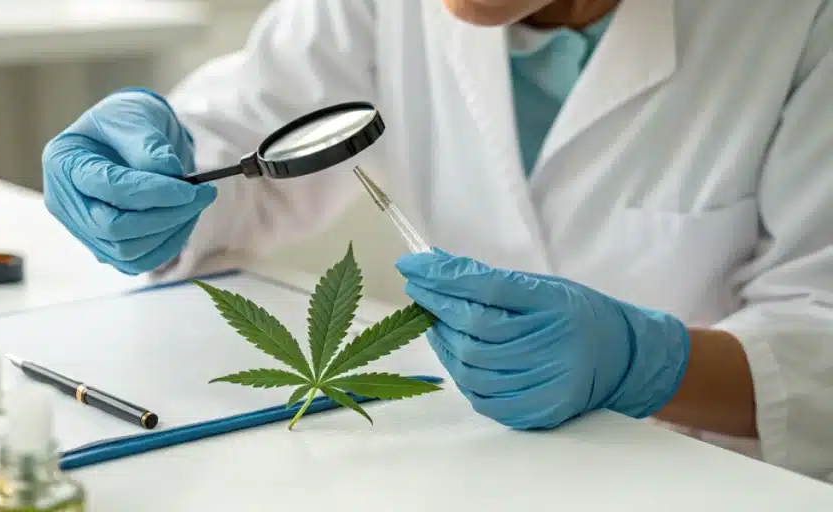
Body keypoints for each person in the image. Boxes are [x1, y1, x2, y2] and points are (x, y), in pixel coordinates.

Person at [41, 0, 833, 482]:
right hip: (472, 469)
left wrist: (648, 363)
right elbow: (253, 134)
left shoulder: (798, 21)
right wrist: (150, 176)